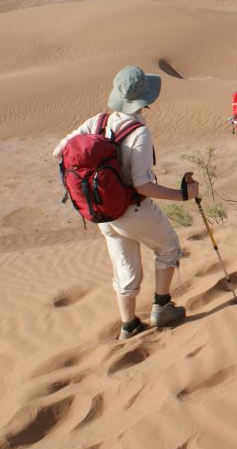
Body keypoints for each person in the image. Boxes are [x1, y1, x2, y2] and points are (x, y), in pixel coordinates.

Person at [53, 66, 199, 340]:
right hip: (133, 210)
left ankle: (129, 325)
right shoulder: (139, 132)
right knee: (168, 247)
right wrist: (182, 195)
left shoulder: (97, 122)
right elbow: (142, 184)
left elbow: (58, 151)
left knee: (125, 271)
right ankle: (162, 308)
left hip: (103, 214)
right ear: (145, 99)